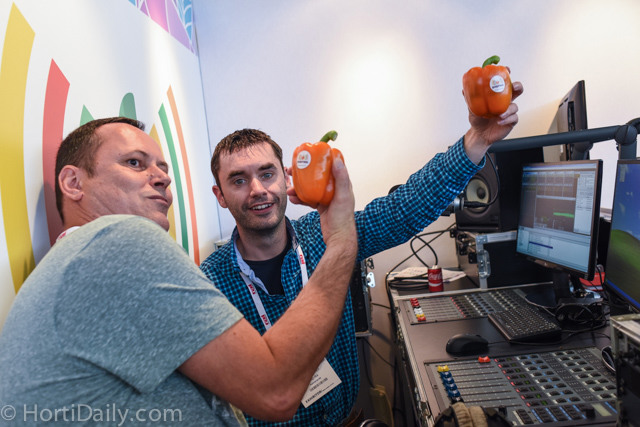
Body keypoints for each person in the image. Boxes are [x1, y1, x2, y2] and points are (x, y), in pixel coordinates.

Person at [200, 82, 524, 426]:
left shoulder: (324, 234)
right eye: (239, 180)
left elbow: (403, 208)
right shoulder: (208, 284)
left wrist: (477, 141)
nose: (257, 190)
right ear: (220, 195)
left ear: (285, 177)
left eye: (267, 174)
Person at [0, 117, 358, 426]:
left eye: (163, 169)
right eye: (135, 163)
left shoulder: (80, 261)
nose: (161, 178)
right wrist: (341, 240)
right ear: (73, 183)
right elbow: (276, 390)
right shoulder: (117, 239)